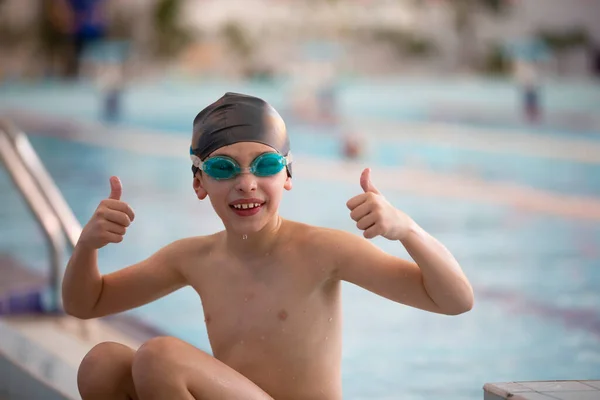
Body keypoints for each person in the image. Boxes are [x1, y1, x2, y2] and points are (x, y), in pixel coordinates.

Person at [63, 93, 474, 400]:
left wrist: (406, 230)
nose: (247, 183)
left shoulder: (322, 250)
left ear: (288, 176)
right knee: (101, 365)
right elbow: (86, 303)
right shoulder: (192, 258)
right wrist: (87, 246)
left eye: (265, 165)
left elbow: (455, 300)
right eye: (224, 167)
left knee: (160, 358)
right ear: (198, 183)